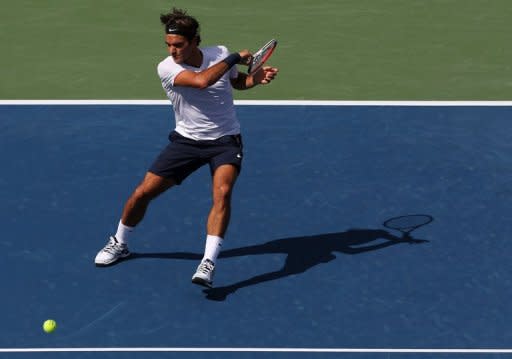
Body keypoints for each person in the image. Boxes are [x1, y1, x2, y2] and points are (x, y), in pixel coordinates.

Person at [94, 7, 278, 288]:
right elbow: (203, 82)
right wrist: (234, 58)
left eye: (178, 45)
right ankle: (120, 242)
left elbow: (236, 82)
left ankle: (208, 262)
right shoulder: (167, 68)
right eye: (168, 45)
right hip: (186, 142)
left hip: (225, 141)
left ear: (195, 41)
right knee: (143, 194)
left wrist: (255, 79)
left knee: (223, 193)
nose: (173, 50)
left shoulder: (218, 53)